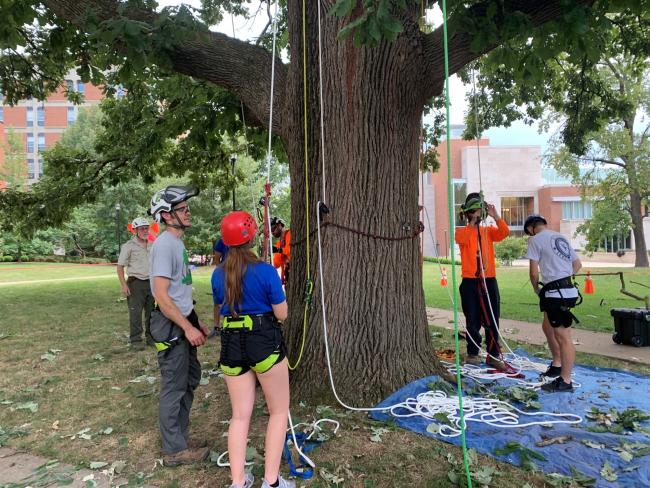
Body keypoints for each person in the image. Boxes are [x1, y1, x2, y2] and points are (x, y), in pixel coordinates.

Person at [212, 211, 294, 488]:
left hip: (231, 344)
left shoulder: (217, 275)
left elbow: (220, 309)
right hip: (263, 342)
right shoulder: (266, 271)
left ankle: (238, 482)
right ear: (250, 237)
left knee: (239, 415)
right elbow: (282, 314)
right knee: (279, 411)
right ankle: (271, 482)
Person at [148, 184, 211, 466]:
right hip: (171, 328)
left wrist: (196, 323)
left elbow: (179, 291)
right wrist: (186, 328)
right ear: (165, 214)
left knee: (189, 379)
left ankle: (180, 439)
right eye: (182, 209)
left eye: (187, 207)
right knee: (175, 385)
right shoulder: (164, 245)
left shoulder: (177, 243)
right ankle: (174, 450)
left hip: (183, 323)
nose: (188, 212)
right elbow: (161, 296)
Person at [454, 193, 513, 372]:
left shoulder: (488, 232)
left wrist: (495, 216)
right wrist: (473, 222)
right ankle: (472, 354)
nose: (480, 214)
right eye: (476, 211)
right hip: (470, 282)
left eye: (481, 211)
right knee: (472, 319)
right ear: (469, 213)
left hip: (489, 281)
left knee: (492, 318)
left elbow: (504, 233)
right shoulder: (462, 231)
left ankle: (494, 355)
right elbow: (461, 239)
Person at [525, 214, 582, 393]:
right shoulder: (560, 237)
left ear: (532, 228)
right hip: (567, 290)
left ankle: (566, 380)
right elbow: (578, 264)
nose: (529, 235)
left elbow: (533, 274)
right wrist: (564, 277)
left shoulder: (535, 240)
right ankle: (557, 364)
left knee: (563, 335)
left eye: (528, 232)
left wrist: (537, 290)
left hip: (555, 293)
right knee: (547, 325)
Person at [116, 217, 155, 350]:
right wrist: (123, 285)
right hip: (135, 283)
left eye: (146, 228)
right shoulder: (128, 246)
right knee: (135, 313)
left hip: (151, 283)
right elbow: (120, 266)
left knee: (152, 312)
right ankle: (136, 340)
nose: (145, 231)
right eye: (142, 228)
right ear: (135, 230)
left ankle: (151, 338)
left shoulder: (152, 244)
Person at [271, 216, 291, 285]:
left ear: (279, 225)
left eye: (273, 229)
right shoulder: (279, 244)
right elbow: (276, 264)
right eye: (271, 231)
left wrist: (279, 250)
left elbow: (290, 251)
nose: (272, 232)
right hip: (287, 279)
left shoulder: (289, 234)